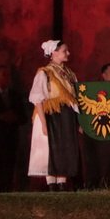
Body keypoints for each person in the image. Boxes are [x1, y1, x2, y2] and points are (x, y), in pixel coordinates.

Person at [27, 40, 80, 191]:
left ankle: (62, 182)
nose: (68, 53)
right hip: (51, 115)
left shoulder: (69, 73)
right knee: (51, 148)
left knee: (65, 147)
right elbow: (37, 99)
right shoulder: (45, 72)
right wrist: (43, 123)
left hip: (66, 115)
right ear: (54, 53)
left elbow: (76, 97)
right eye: (64, 51)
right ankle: (52, 183)